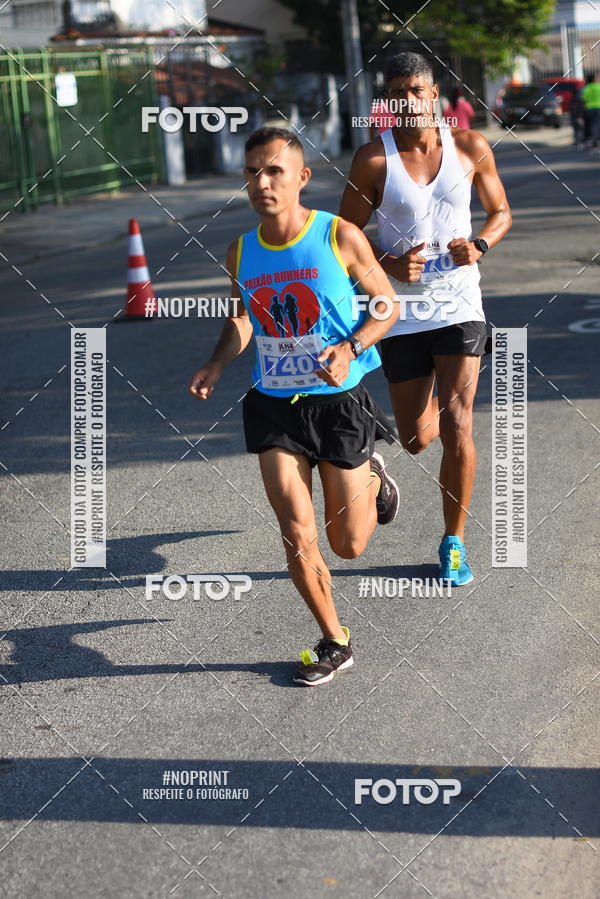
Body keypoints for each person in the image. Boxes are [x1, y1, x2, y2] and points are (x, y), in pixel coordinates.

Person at [189, 126, 401, 685]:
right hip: (273, 405)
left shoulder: (339, 235)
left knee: (348, 544)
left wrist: (352, 346)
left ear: (301, 177)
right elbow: (242, 318)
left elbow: (387, 305)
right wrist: (216, 362)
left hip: (339, 402)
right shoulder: (240, 249)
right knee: (295, 529)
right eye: (252, 171)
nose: (261, 182)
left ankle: (373, 479)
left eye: (273, 170)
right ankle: (334, 638)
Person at [339, 52, 512, 586]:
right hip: (403, 313)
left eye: (417, 90)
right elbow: (343, 238)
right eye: (398, 94)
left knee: (460, 425)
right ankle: (378, 465)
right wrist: (389, 261)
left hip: (460, 306)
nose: (408, 102)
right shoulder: (373, 159)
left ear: (435, 93)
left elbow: (501, 212)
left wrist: (480, 244)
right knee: (416, 438)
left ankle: (453, 541)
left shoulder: (470, 146)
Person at [581, 72, 600, 149]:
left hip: (590, 108)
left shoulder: (586, 88)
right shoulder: (598, 87)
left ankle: (595, 140)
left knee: (593, 125)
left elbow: (584, 98)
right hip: (599, 107)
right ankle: (597, 140)